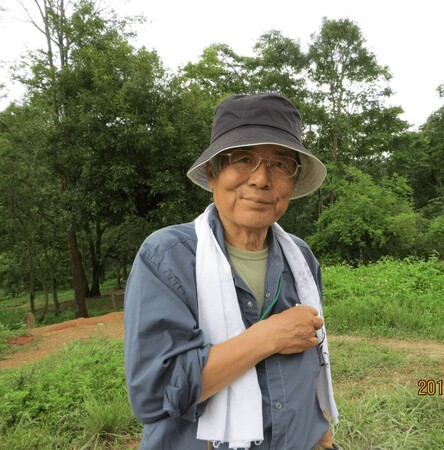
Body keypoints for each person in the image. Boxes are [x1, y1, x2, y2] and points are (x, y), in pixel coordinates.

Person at [124, 93, 339, 450]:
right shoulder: (167, 258)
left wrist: (320, 429)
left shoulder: (300, 257)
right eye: (243, 159)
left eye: (281, 163)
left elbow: (309, 362)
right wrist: (268, 337)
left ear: (293, 180)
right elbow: (153, 394)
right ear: (213, 172)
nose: (261, 180)